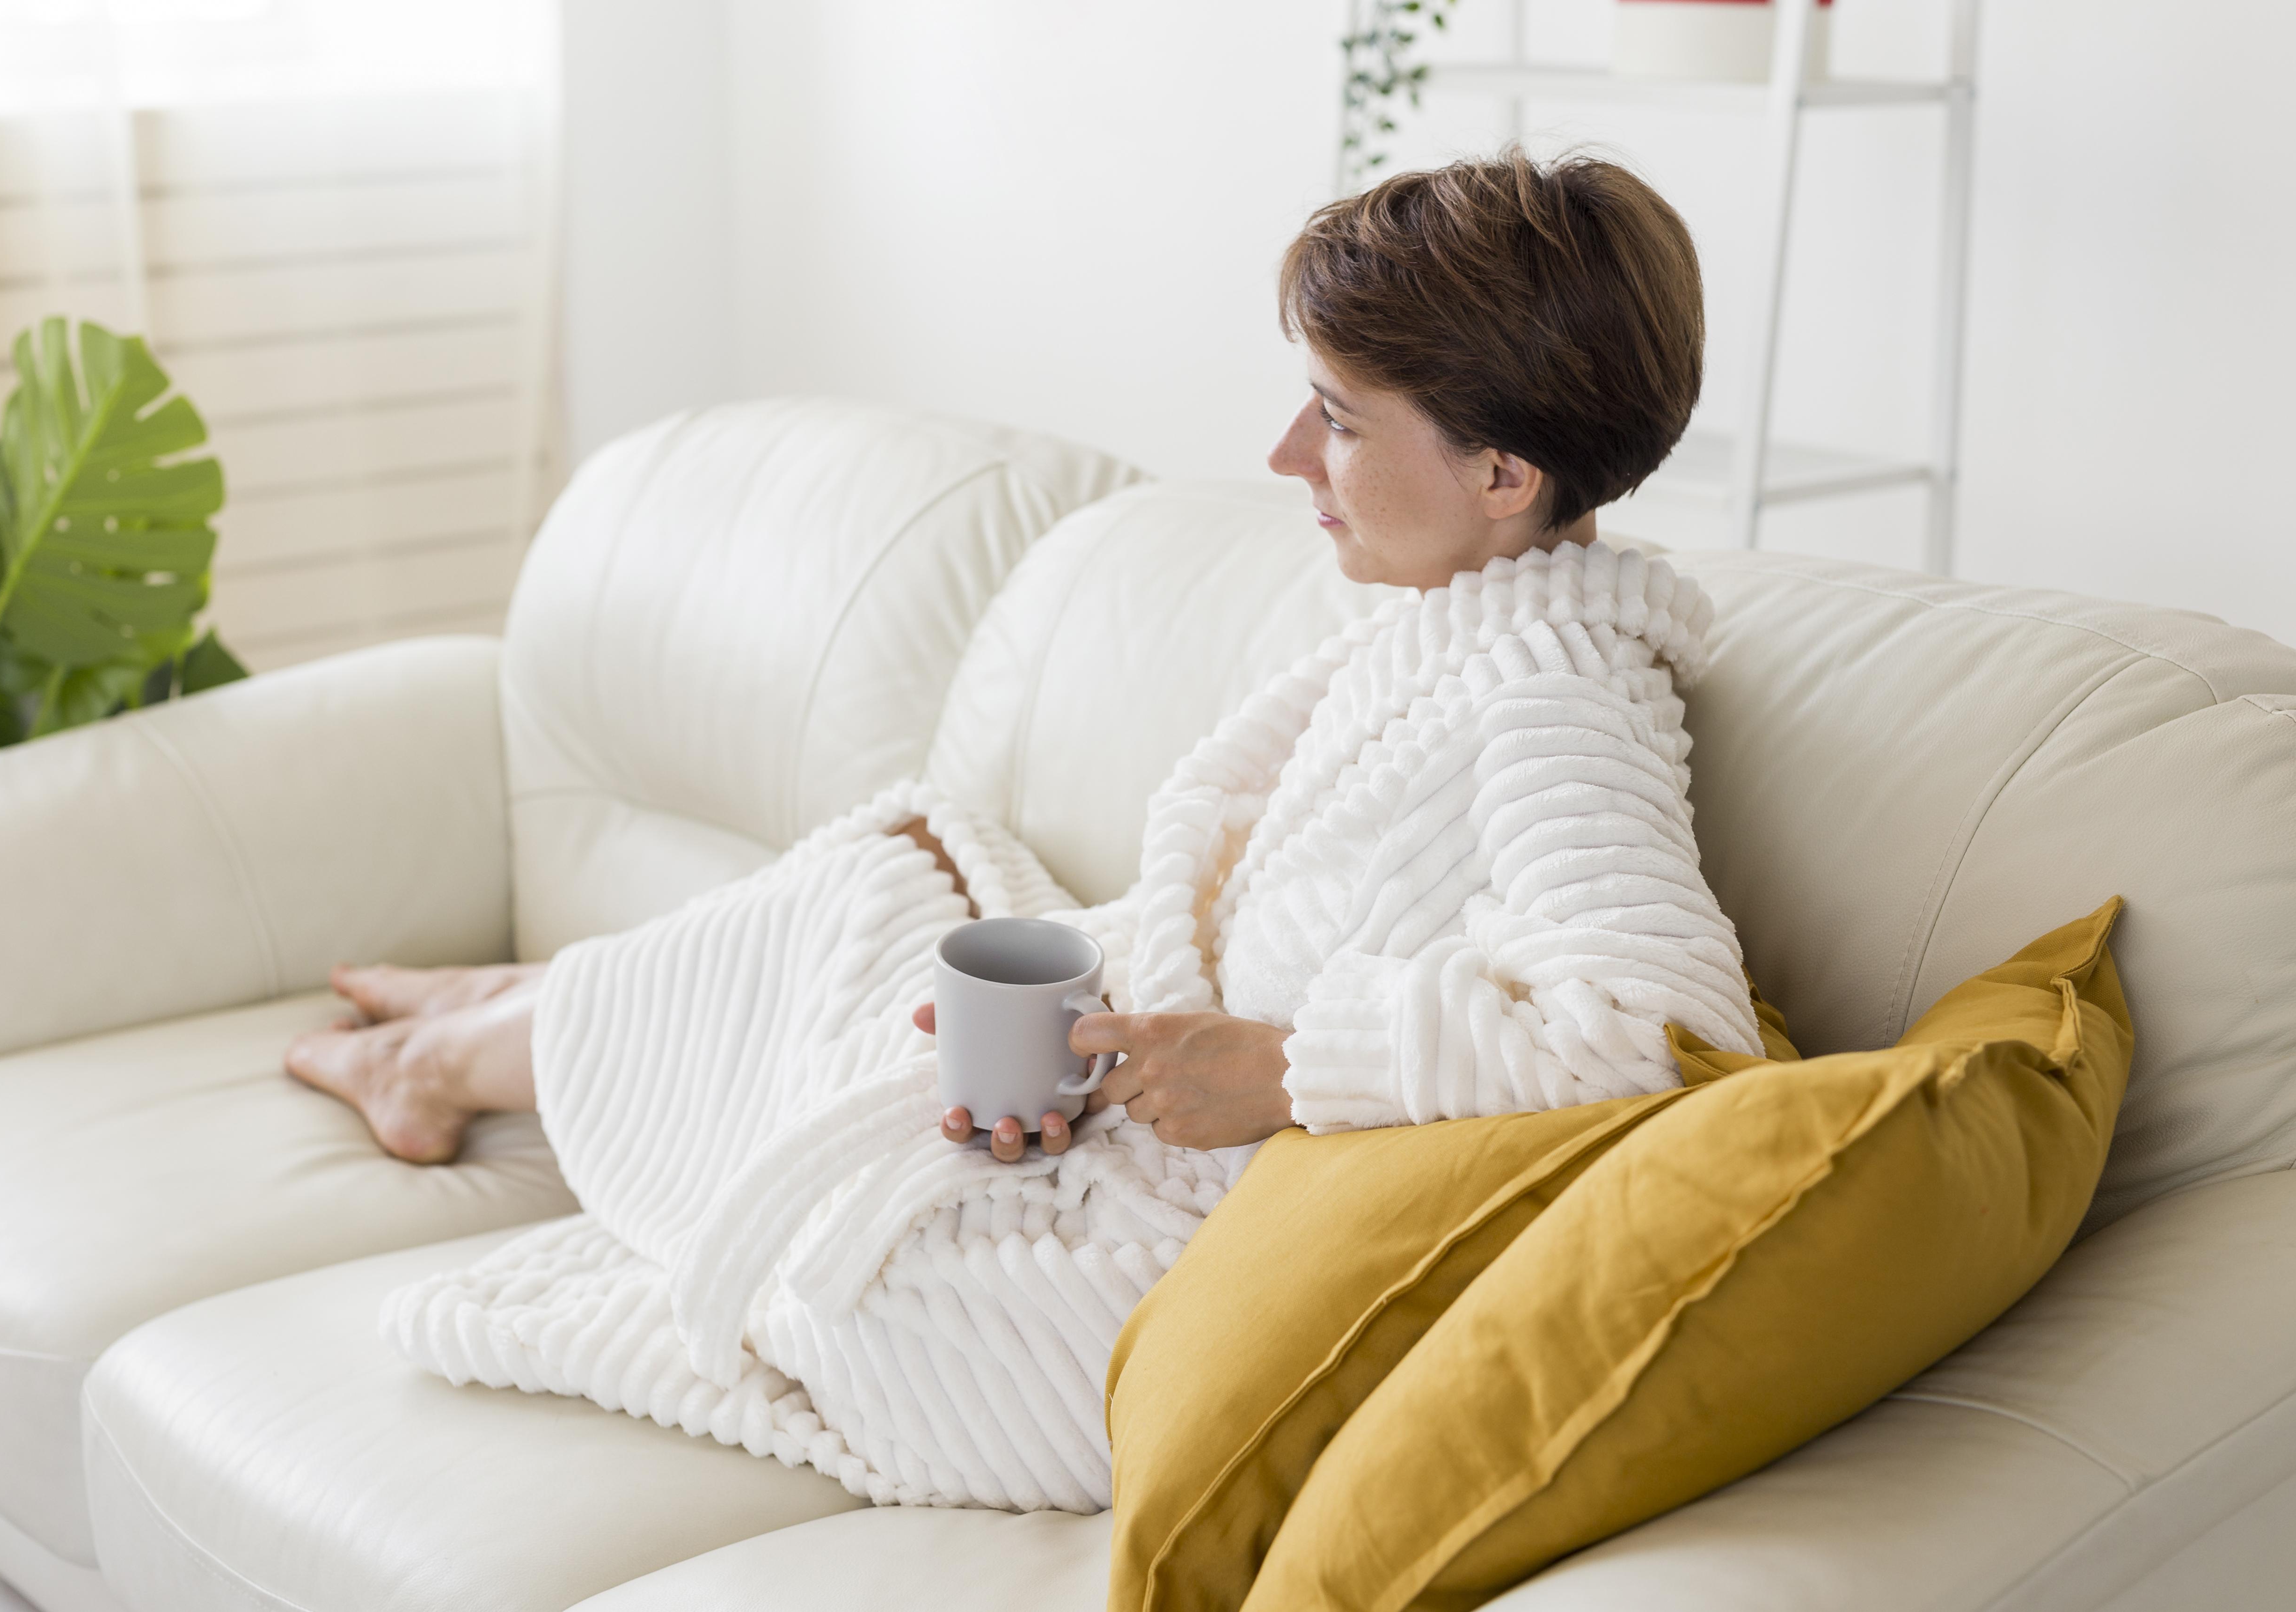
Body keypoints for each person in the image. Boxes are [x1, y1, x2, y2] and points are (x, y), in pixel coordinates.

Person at [287, 149, 1762, 1512]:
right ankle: (505, 1022)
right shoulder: (1461, 622)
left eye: (1337, 417)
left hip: (1186, 1249)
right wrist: (1107, 1031)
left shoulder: (1559, 703)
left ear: (1504, 478)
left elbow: (1668, 1045)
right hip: (1156, 1120)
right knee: (871, 896)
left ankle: (472, 1047)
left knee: (857, 1257)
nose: (1284, 455)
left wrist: (1291, 1071)